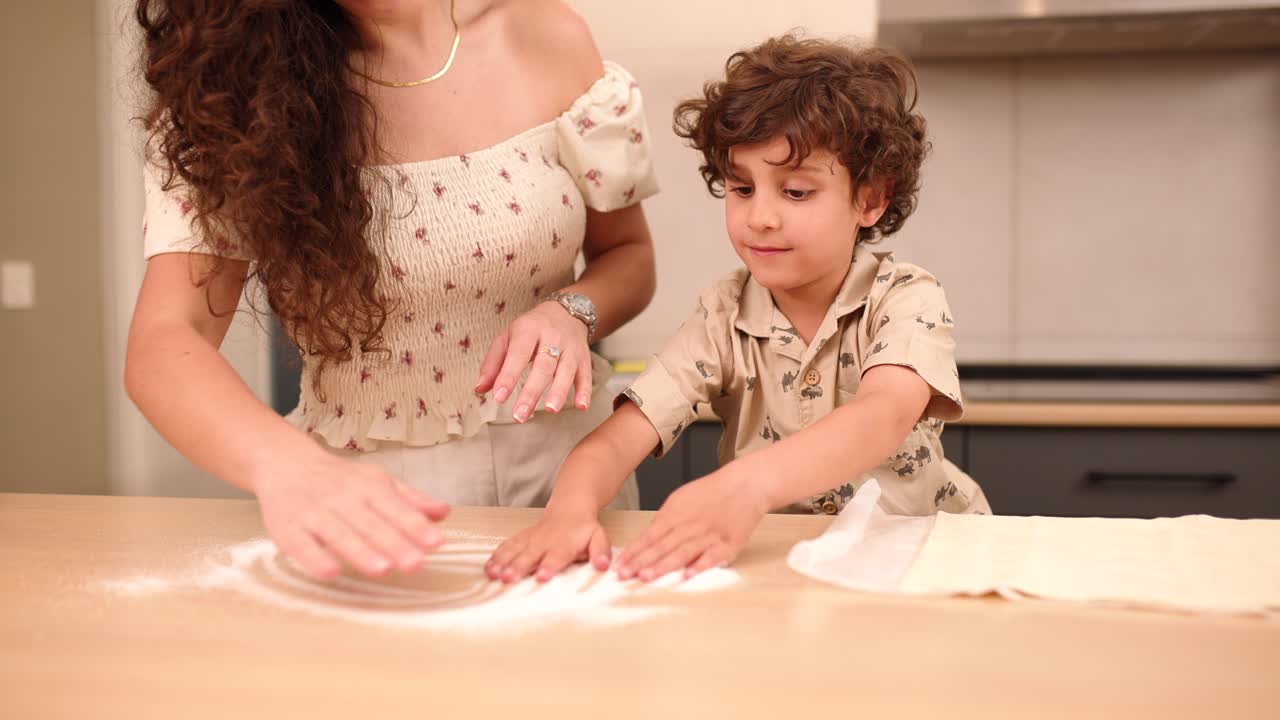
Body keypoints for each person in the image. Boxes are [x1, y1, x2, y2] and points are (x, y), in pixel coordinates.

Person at [124, 0, 658, 581]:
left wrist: (571, 311)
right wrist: (284, 465)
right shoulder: (233, 90)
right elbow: (165, 341)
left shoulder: (549, 34)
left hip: (570, 479)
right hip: (370, 501)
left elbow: (628, 256)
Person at [486, 33, 990, 584]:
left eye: (796, 192)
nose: (761, 218)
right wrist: (568, 513)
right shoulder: (722, 315)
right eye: (742, 188)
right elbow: (616, 438)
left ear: (869, 199)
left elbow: (881, 417)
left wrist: (746, 485)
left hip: (925, 561)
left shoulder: (905, 297)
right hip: (785, 570)